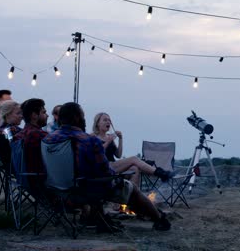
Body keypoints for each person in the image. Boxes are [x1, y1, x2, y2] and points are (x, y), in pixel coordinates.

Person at [42, 102, 171, 231]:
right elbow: (105, 171)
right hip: (84, 190)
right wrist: (117, 176)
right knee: (130, 189)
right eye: (83, 116)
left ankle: (97, 217)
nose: (84, 119)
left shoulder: (47, 140)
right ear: (76, 117)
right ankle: (159, 218)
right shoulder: (89, 140)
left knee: (118, 176)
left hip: (57, 190)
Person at [91, 112, 173, 186]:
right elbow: (95, 154)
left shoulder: (109, 136)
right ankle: (161, 173)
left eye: (109, 120)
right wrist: (108, 142)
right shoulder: (92, 136)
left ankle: (131, 198)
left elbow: (118, 155)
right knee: (134, 159)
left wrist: (120, 139)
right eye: (105, 120)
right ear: (97, 123)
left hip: (113, 166)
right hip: (103, 167)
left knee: (135, 169)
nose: (108, 122)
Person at [14, 98, 49, 189]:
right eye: (44, 112)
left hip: (25, 179)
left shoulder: (20, 135)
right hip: (41, 180)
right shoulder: (38, 135)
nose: (47, 115)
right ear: (34, 115)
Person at [0, 100, 23, 169]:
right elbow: (14, 147)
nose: (21, 116)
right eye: (18, 113)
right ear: (7, 114)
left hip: (12, 166)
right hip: (20, 166)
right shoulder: (9, 131)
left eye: (21, 113)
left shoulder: (3, 129)